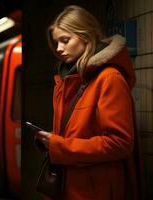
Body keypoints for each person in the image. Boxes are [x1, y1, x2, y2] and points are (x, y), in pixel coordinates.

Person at [35, 5, 144, 200]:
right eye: (56, 43)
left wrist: (60, 146)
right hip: (69, 185)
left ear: (85, 35)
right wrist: (50, 140)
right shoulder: (66, 80)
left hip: (95, 190)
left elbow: (119, 144)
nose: (59, 49)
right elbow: (75, 132)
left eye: (65, 40)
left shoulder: (109, 78)